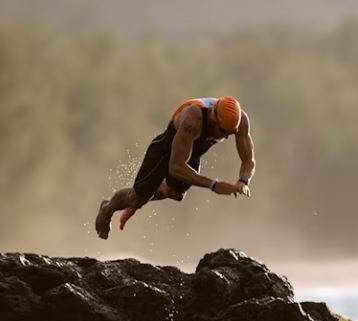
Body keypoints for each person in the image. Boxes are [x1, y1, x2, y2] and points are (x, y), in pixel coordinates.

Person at [94, 95, 255, 239]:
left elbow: (248, 158)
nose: (227, 137)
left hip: (191, 151)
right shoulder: (193, 120)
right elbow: (176, 167)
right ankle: (108, 208)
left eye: (231, 132)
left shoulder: (240, 122)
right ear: (213, 118)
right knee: (136, 198)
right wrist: (214, 185)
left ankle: (140, 199)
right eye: (224, 131)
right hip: (165, 150)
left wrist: (243, 180)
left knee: (175, 193)